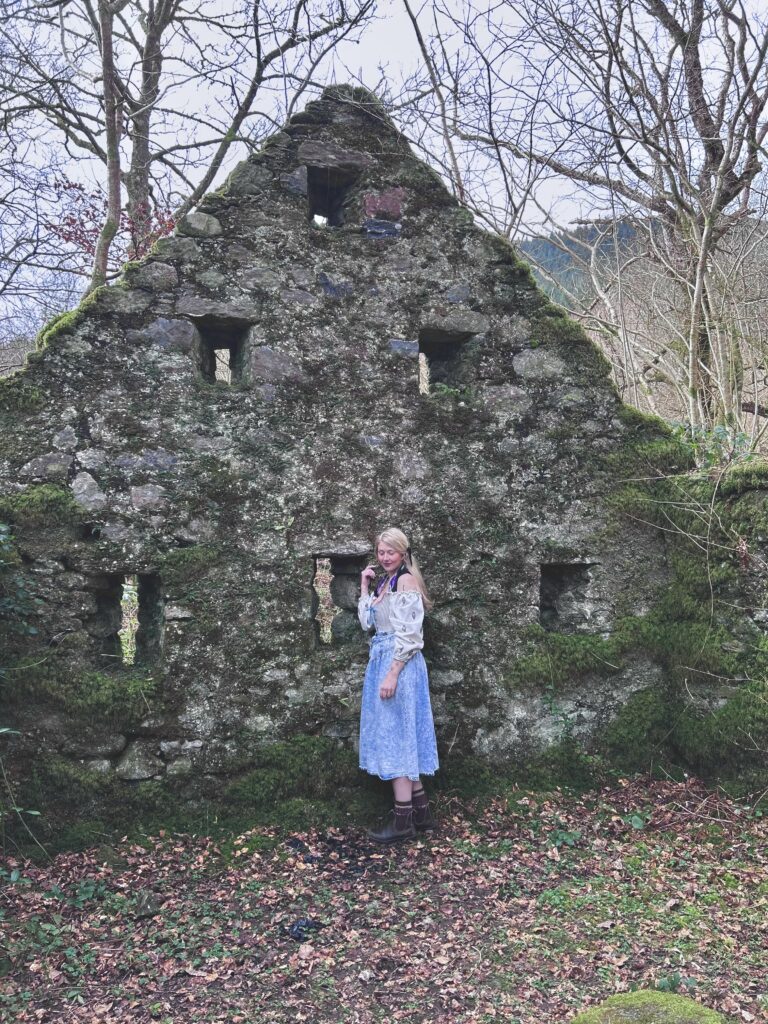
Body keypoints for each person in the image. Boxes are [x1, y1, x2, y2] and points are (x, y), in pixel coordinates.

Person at [358, 527, 439, 843]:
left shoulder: (405, 581)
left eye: (390, 552)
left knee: (397, 739)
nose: (384, 557)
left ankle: (403, 820)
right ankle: (422, 815)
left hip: (399, 666)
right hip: (385, 661)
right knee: (400, 736)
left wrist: (392, 674)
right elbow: (368, 622)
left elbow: (411, 635)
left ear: (402, 553)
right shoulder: (386, 583)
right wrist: (365, 585)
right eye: (380, 552)